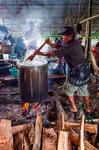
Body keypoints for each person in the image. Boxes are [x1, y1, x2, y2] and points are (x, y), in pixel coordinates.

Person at [27, 26, 92, 113]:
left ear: (70, 36)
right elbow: (60, 47)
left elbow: (53, 53)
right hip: (85, 70)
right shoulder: (74, 42)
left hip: (78, 73)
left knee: (67, 89)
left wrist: (40, 53)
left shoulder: (69, 46)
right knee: (84, 90)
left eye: (64, 35)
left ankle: (73, 107)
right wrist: (50, 44)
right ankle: (88, 108)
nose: (62, 37)